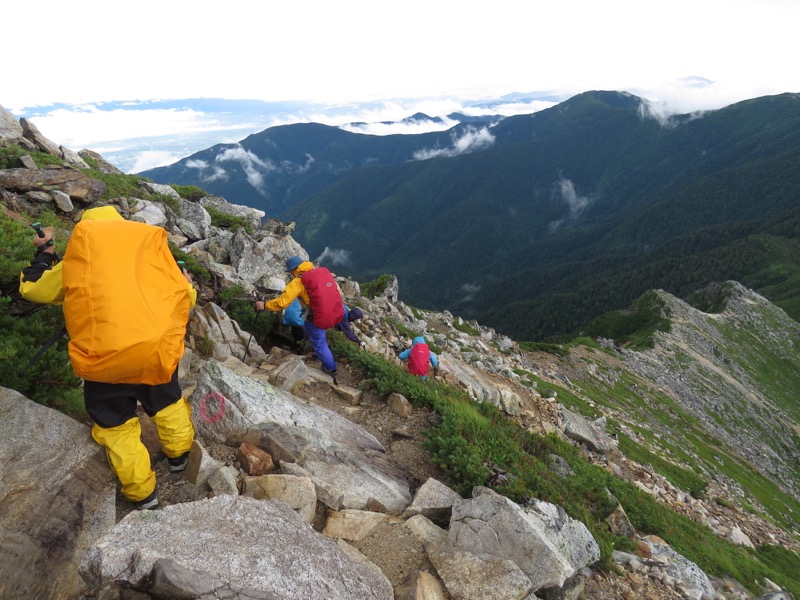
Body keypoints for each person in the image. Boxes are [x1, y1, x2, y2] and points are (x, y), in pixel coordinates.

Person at [19, 206, 197, 511]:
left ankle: (144, 495)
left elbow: (33, 289)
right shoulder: (151, 252)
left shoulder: (80, 258)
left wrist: (45, 255)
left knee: (116, 423)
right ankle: (180, 457)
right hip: (155, 349)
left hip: (106, 359)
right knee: (167, 400)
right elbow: (187, 295)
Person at [256, 256, 343, 377]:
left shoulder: (298, 281)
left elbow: (283, 302)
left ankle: (331, 368)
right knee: (311, 331)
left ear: (293, 270)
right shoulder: (318, 274)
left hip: (316, 316)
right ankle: (320, 352)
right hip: (332, 311)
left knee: (319, 341)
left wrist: (265, 305)